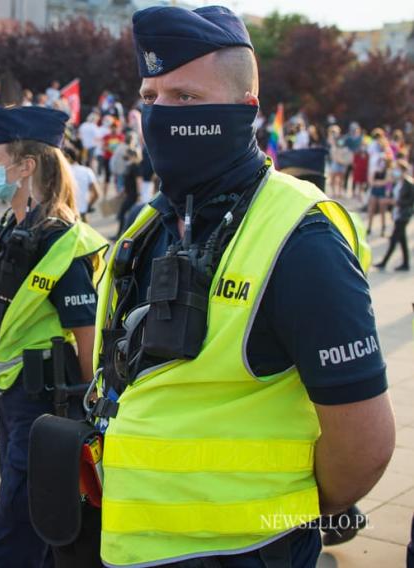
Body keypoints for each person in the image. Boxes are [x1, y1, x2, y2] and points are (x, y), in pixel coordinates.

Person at [87, 7, 395, 568]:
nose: (159, 115)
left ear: (245, 110)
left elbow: (363, 448)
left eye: (184, 98)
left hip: (249, 554)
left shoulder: (302, 238)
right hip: (129, 546)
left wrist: (287, 513)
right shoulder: (148, 222)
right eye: (150, 98)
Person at [0, 106, 108, 567]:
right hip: (12, 402)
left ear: (27, 166)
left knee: (11, 537)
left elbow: (86, 337)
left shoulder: (61, 239)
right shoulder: (11, 228)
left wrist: (89, 416)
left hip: (43, 409)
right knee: (30, 528)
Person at [375, 159, 413, 271]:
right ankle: (406, 264)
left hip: (404, 215)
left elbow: (410, 202)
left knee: (394, 240)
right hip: (397, 214)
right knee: (402, 240)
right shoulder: (397, 183)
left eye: (398, 169)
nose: (395, 171)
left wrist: (394, 202)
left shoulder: (409, 184)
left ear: (403, 170)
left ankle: (384, 262)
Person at [67, 146, 100, 222]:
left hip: (68, 214)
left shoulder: (63, 172)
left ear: (67, 157)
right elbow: (97, 194)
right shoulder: (87, 171)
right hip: (82, 212)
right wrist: (87, 206)